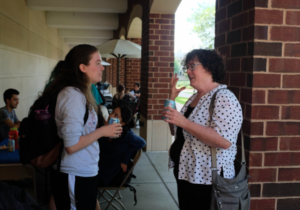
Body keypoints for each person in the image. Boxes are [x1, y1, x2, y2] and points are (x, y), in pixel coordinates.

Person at [43, 44, 122, 210]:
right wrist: (102, 131)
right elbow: (71, 146)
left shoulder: (81, 92)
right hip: (75, 170)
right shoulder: (73, 96)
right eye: (98, 63)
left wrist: (101, 128)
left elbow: (81, 131)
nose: (102, 68)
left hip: (85, 169)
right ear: (83, 67)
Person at [161, 49, 243, 210]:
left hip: (208, 179)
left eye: (192, 66)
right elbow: (176, 131)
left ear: (209, 68)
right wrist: (171, 98)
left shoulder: (224, 98)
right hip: (186, 172)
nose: (188, 71)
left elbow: (224, 141)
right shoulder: (195, 97)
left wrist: (184, 122)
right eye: (187, 67)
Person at [98, 105, 146, 186]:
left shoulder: (127, 135)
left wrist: (125, 158)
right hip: (98, 167)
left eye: (116, 115)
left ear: (123, 123)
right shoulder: (105, 130)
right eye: (112, 112)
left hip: (108, 175)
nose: (111, 115)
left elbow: (142, 142)